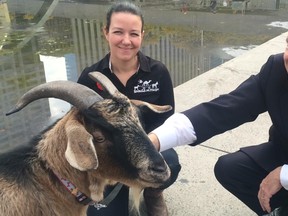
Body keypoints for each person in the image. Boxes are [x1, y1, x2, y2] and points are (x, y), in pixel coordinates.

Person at [149, 36, 288, 216]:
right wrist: (151, 142)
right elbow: (222, 110)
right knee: (230, 168)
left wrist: (282, 176)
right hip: (282, 151)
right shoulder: (277, 68)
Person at [77, 2, 181, 216]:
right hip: (109, 162)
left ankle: (153, 194)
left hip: (147, 147)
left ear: (142, 35)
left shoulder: (158, 72)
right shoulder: (89, 77)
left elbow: (168, 121)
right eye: (118, 32)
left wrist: (144, 149)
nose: (126, 41)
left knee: (170, 162)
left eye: (134, 33)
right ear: (105, 32)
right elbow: (80, 128)